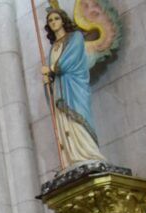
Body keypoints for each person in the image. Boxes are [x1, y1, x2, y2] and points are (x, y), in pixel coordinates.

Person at [42, 8, 105, 166]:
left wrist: (50, 69)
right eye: (50, 21)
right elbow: (54, 72)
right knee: (64, 123)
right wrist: (48, 79)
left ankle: (88, 154)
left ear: (63, 20)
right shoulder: (53, 47)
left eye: (56, 18)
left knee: (78, 119)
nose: (54, 22)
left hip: (74, 86)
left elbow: (68, 61)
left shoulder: (75, 38)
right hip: (60, 89)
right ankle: (71, 158)